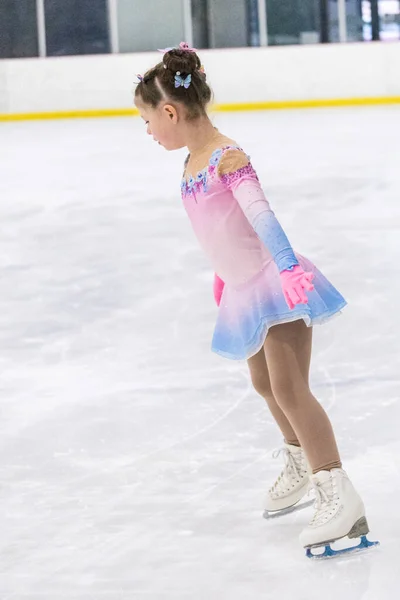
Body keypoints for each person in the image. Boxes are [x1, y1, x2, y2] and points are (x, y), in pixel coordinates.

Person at [134, 42, 370, 552]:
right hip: (243, 288)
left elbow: (260, 214)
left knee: (289, 387)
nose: (148, 132)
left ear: (171, 111)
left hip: (274, 282)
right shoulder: (191, 161)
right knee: (264, 383)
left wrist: (286, 267)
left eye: (149, 121)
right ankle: (301, 459)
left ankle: (337, 489)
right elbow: (223, 229)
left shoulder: (226, 155)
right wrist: (224, 276)